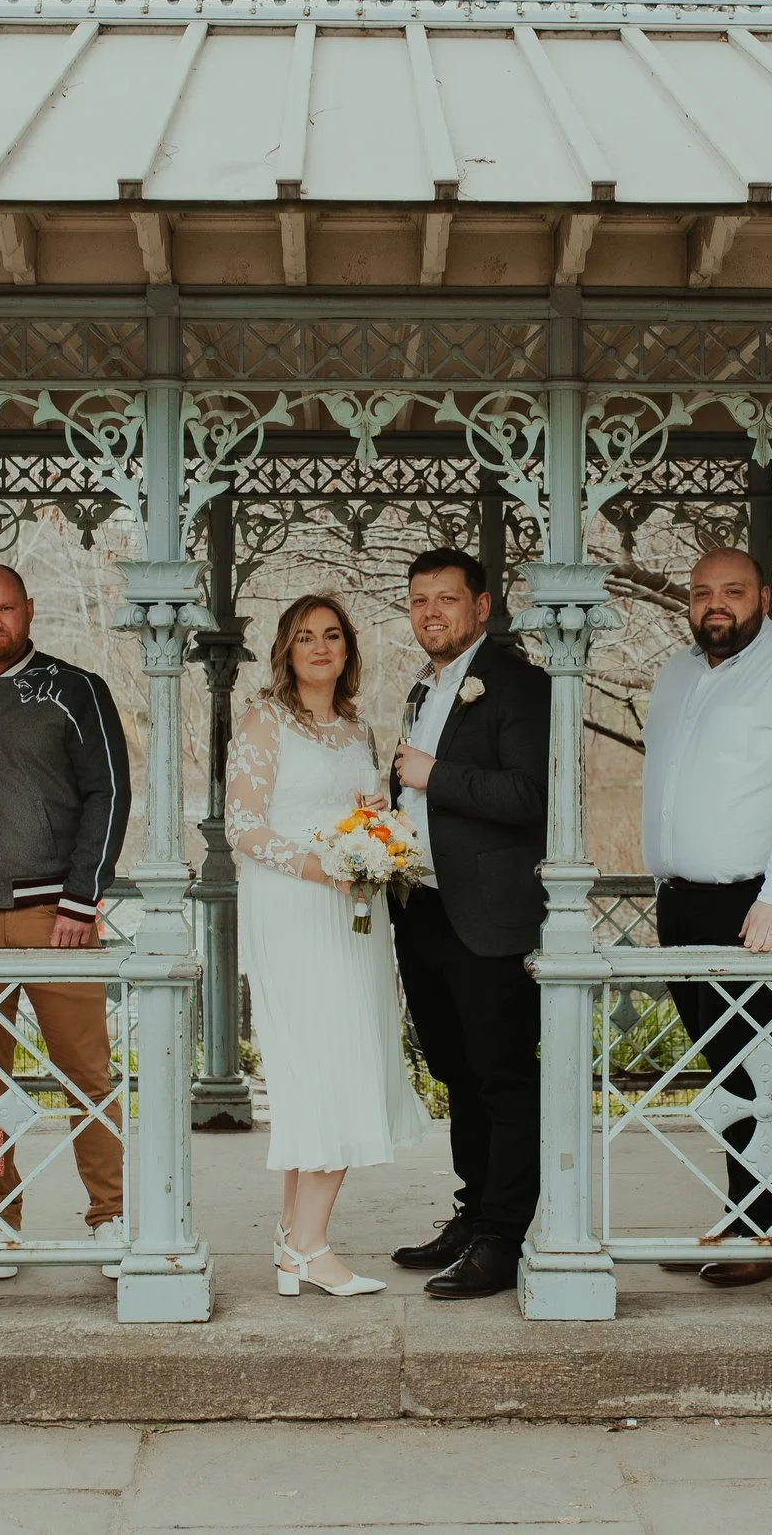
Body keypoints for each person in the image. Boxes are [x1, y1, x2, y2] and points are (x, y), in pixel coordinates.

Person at [641, 548, 772, 1287]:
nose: (715, 604)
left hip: (761, 905)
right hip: (684, 901)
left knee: (747, 1068)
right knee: (723, 1070)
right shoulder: (678, 672)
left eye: (731, 590)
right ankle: (741, 1216)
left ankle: (766, 1233)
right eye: (702, 593)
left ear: (765, 594)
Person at [228, 594, 430, 1297]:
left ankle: (293, 1241)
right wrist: (324, 866)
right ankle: (313, 1245)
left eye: (333, 636)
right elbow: (242, 827)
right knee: (324, 1069)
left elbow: (363, 813)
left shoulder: (356, 729)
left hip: (354, 917)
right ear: (286, 648)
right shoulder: (265, 722)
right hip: (295, 909)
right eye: (306, 636)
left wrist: (374, 834)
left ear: (348, 649)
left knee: (342, 1064)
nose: (321, 646)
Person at [0, 562, 134, 1276]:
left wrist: (81, 899)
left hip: (56, 914)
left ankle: (109, 1216)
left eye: (4, 609)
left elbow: (109, 794)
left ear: (29, 610)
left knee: (86, 1073)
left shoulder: (78, 689)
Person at [388, 549, 552, 1300]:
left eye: (446, 599)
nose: (431, 612)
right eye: (420, 599)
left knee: (504, 1077)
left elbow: (532, 794)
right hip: (421, 909)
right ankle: (473, 1209)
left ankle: (504, 1237)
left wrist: (434, 775)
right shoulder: (425, 687)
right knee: (457, 1072)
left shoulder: (519, 683)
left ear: (481, 607)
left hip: (490, 916)